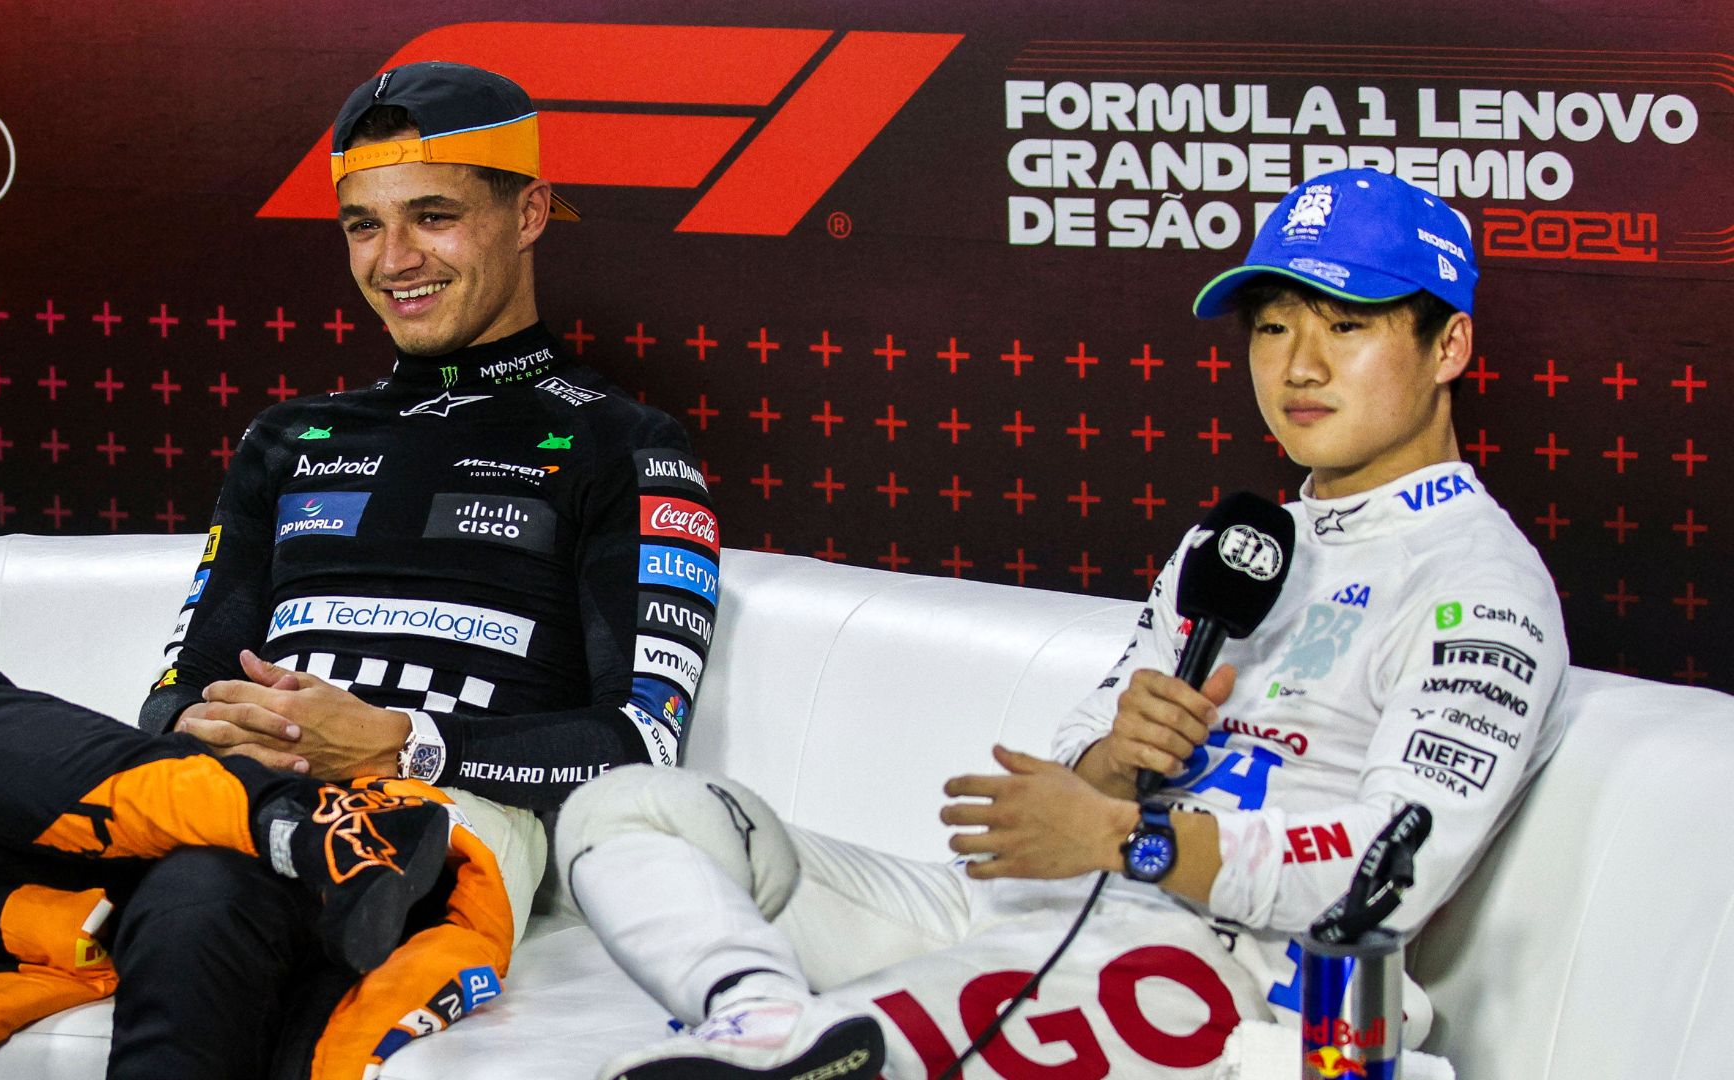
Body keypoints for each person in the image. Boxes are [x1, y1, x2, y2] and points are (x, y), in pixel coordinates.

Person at [554, 168, 1567, 1080]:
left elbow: (1390, 871)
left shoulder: (1481, 584)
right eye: (1272, 328)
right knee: (627, 808)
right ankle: (761, 1017)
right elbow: (1084, 762)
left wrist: (1134, 837)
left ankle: (796, 1049)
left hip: (1209, 974)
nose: (1299, 367)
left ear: (1448, 346)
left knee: (883, 1031)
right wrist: (1116, 760)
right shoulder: (1236, 542)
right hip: (1026, 903)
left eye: (1344, 326)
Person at [0, 60, 717, 1080]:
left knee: (200, 892)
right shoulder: (291, 438)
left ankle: (292, 837)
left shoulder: (627, 446)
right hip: (235, 798)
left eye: (433, 217)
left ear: (527, 213)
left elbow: (640, 746)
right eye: (363, 225)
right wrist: (214, 737)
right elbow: (179, 687)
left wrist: (399, 743)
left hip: (423, 824)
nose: (394, 260)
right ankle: (285, 828)